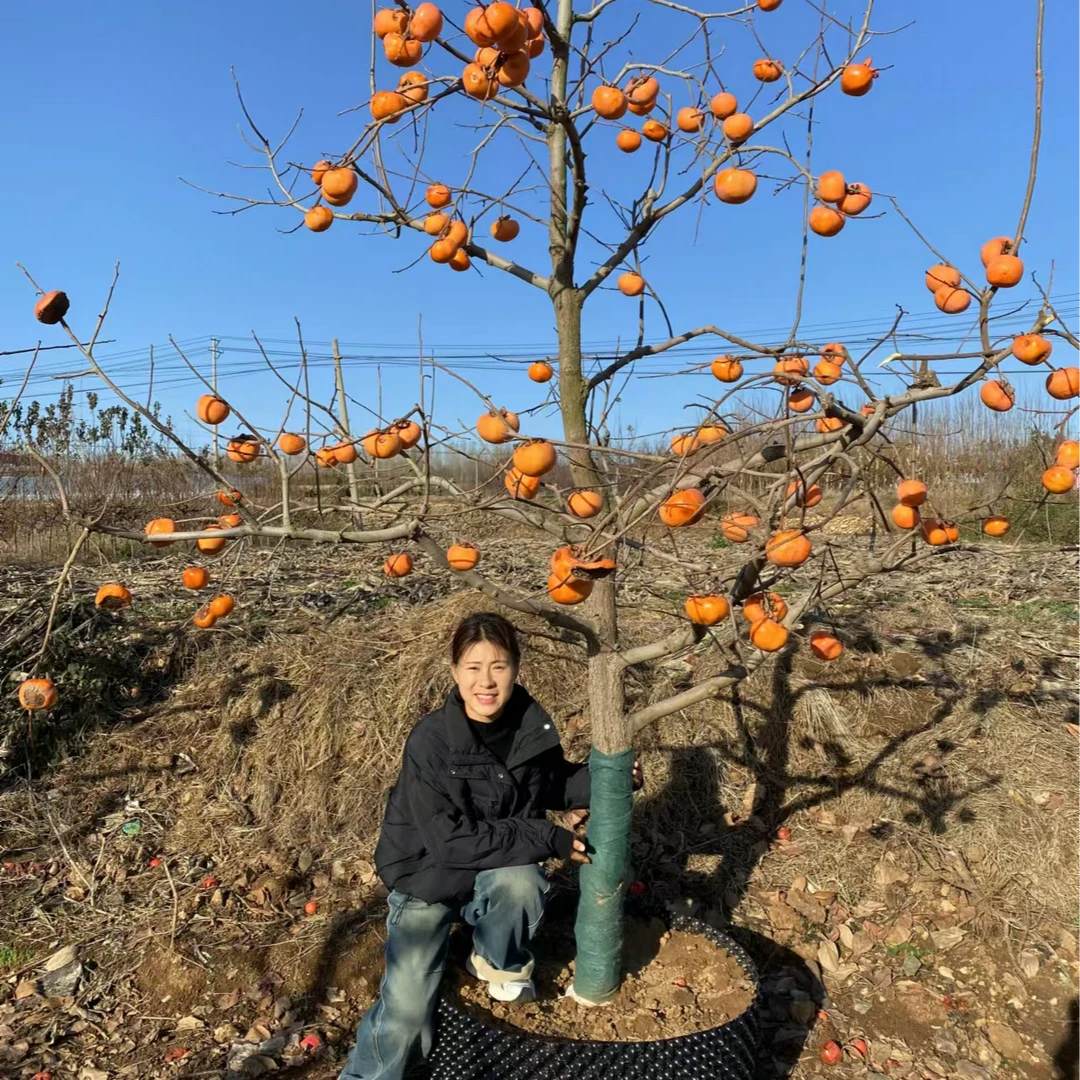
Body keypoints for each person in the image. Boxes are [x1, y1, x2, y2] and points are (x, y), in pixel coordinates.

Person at [338, 611, 642, 1080]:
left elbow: (549, 783)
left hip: (493, 862)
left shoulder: (528, 724)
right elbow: (448, 843)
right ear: (455, 671)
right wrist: (547, 837)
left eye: (498, 666)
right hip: (427, 876)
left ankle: (493, 958)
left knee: (520, 884)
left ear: (516, 668)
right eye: (474, 667)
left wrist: (607, 781)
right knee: (407, 1010)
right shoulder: (431, 742)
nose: (486, 681)